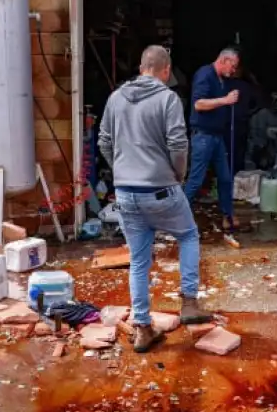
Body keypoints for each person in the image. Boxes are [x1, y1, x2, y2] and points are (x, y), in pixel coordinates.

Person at [98, 45, 214, 353]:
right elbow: (178, 143)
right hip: (161, 188)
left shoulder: (115, 98)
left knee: (139, 260)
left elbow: (104, 142)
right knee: (188, 235)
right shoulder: (168, 99)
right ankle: (189, 302)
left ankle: (143, 328)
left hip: (126, 192)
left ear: (140, 66)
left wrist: (121, 171)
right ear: (165, 70)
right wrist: (178, 175)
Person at [184, 48, 240, 231]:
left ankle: (228, 215)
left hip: (216, 136)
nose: (234, 70)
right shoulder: (205, 75)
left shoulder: (221, 79)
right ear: (224, 60)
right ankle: (178, 216)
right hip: (203, 135)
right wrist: (225, 100)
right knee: (196, 179)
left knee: (225, 177)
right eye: (233, 66)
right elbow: (198, 104)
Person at [223, 65, 259, 176]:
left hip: (229, 123)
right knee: (238, 154)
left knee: (228, 153)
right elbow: (259, 102)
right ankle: (237, 177)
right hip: (238, 122)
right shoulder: (246, 86)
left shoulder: (224, 85)